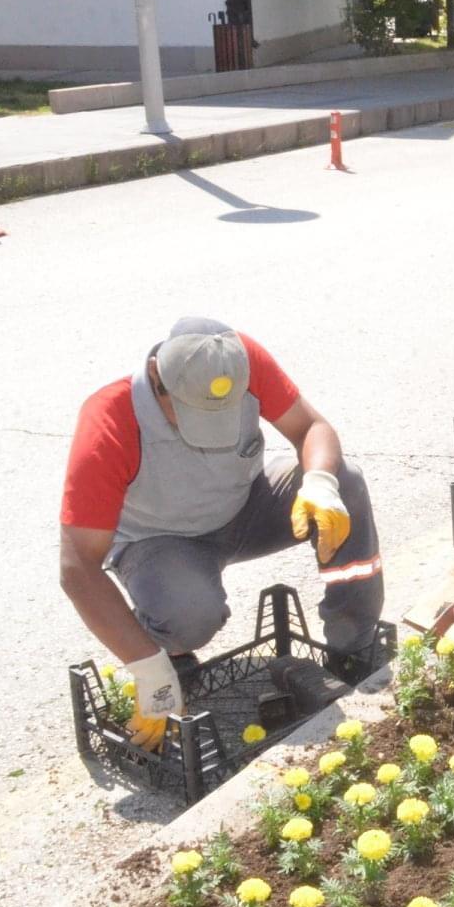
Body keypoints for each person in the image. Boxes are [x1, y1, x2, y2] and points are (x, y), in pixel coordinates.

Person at [58, 318, 383, 749]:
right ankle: (170, 653)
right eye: (194, 414)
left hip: (246, 506)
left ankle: (351, 647)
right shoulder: (110, 419)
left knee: (347, 482)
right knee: (189, 615)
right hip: (162, 540)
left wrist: (320, 483)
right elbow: (77, 568)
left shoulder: (238, 360)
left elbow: (311, 428)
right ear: (158, 378)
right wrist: (149, 672)